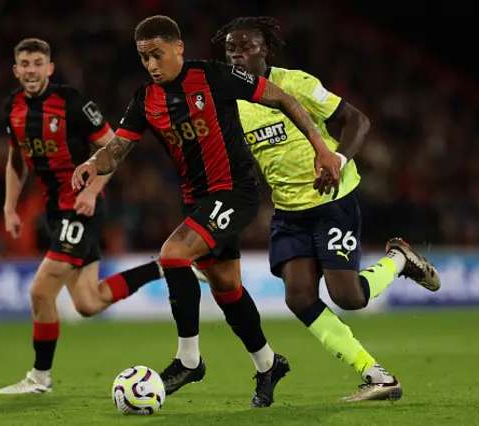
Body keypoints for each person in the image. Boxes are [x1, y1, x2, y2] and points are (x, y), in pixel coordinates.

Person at [72, 15, 341, 407]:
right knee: (226, 287)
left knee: (173, 254)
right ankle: (268, 364)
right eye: (143, 57)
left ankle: (188, 360)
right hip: (199, 199)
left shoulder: (214, 76)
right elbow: (117, 149)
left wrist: (320, 147)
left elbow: (282, 97)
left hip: (235, 191)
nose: (150, 65)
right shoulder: (144, 99)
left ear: (178, 48)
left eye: (157, 55)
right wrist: (93, 164)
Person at [211, 17, 442, 402]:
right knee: (298, 297)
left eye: (245, 46)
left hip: (332, 203)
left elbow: (357, 120)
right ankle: (377, 376)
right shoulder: (231, 103)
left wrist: (335, 157)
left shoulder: (295, 84)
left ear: (265, 50)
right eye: (230, 48)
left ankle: (399, 260)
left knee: (348, 297)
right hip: (288, 212)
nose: (236, 54)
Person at [0, 38, 202, 395]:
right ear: (16, 71)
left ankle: (39, 377)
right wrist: (10, 206)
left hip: (81, 207)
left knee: (41, 290)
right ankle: (160, 268)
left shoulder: (71, 103)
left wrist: (92, 191)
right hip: (54, 211)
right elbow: (15, 159)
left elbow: (113, 147)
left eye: (37, 63)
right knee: (88, 303)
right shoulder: (12, 107)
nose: (31, 70)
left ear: (50, 68)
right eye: (24, 64)